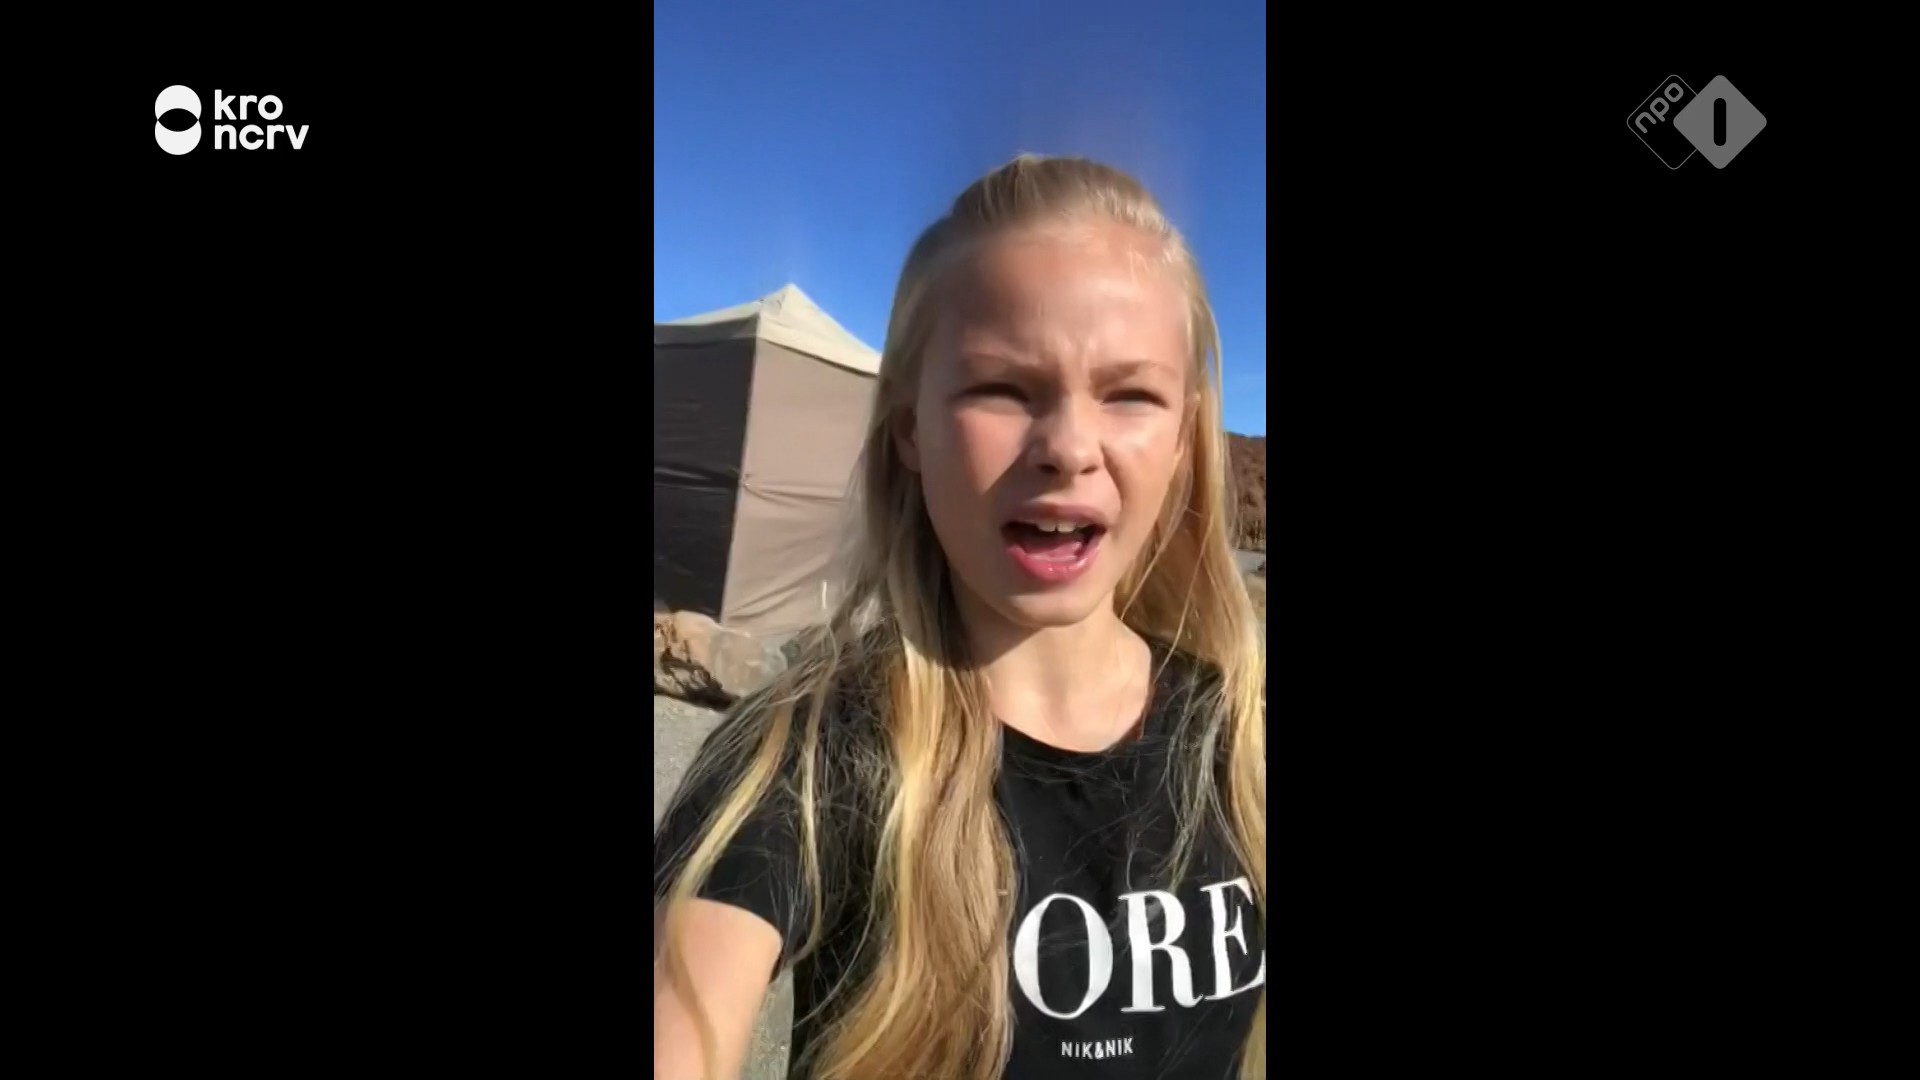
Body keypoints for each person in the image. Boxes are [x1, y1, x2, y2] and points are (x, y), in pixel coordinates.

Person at [653, 154, 1266, 1079]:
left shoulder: (1240, 737)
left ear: (1183, 438)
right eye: (1002, 388)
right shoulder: (807, 757)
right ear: (910, 428)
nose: (1069, 447)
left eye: (1131, 395)